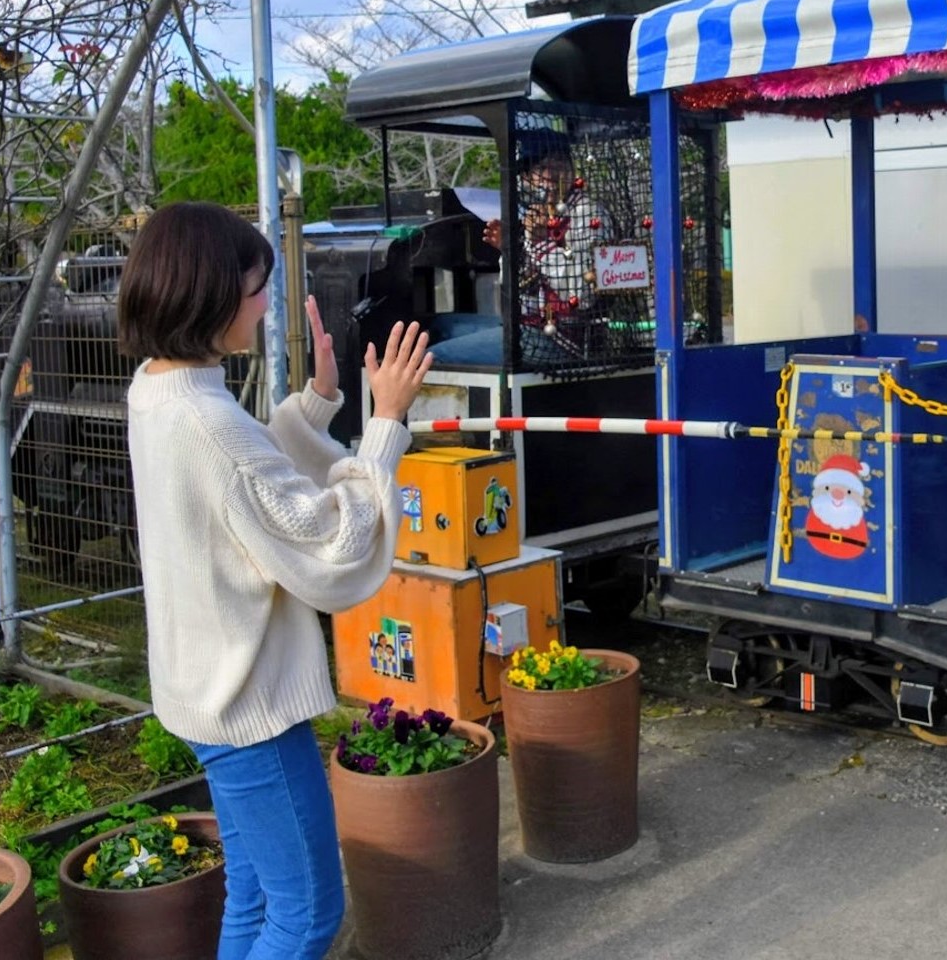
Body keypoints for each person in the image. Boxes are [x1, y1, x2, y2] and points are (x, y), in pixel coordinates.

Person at [119, 202, 431, 960]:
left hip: (206, 693)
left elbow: (248, 490)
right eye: (256, 290)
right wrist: (386, 423)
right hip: (249, 705)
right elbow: (328, 542)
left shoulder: (158, 388)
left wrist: (315, 402)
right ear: (210, 296)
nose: (264, 307)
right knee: (308, 914)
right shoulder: (207, 422)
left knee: (256, 897)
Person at [481, 128, 615, 368]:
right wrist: (510, 250)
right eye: (541, 168)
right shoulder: (534, 213)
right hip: (529, 326)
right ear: (526, 178)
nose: (550, 175)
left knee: (433, 353)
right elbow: (520, 290)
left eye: (559, 164)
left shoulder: (588, 214)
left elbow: (581, 295)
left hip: (566, 341)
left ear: (572, 170)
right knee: (445, 327)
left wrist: (540, 243)